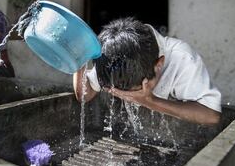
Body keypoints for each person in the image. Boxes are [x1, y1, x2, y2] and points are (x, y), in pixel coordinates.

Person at [73, 17, 221, 125]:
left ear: (159, 65)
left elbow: (211, 116)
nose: (129, 98)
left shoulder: (182, 58)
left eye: (134, 91)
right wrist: (78, 55)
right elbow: (85, 95)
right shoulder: (111, 59)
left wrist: (148, 100)